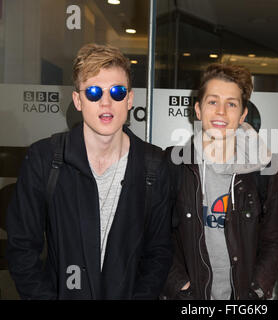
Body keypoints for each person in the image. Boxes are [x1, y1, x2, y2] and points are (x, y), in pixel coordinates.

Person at [6, 43, 172, 299]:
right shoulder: (44, 159)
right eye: (93, 92)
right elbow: (22, 249)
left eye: (117, 92)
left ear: (129, 99)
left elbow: (158, 254)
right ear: (78, 100)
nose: (106, 102)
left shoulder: (154, 164)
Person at [161, 63, 278, 300]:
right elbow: (156, 235)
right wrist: (180, 286)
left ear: (242, 115)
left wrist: (256, 290)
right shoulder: (173, 164)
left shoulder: (265, 168)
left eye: (231, 104)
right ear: (198, 110)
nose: (221, 111)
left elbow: (276, 238)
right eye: (213, 102)